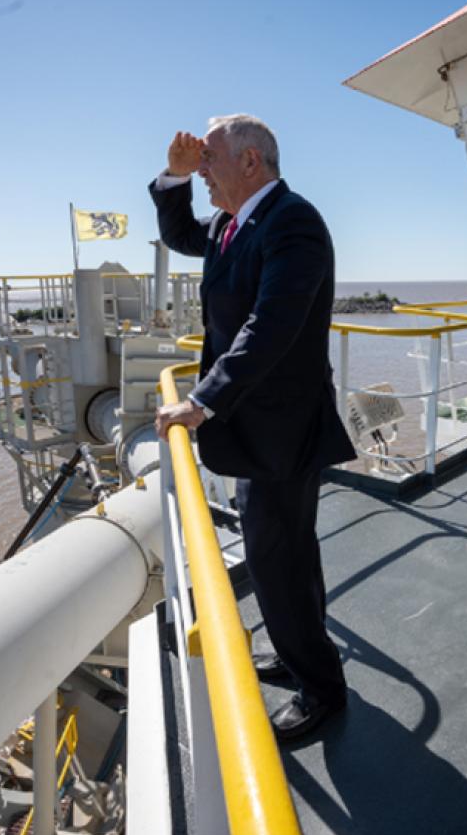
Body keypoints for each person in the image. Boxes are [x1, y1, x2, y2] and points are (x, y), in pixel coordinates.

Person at [151, 114, 356, 741]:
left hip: (282, 431)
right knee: (289, 552)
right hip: (257, 429)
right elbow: (181, 231)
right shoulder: (231, 224)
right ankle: (299, 655)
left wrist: (202, 401)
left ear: (251, 162)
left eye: (211, 159)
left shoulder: (293, 221)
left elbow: (271, 326)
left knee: (277, 559)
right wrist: (174, 176)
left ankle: (321, 690)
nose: (204, 169)